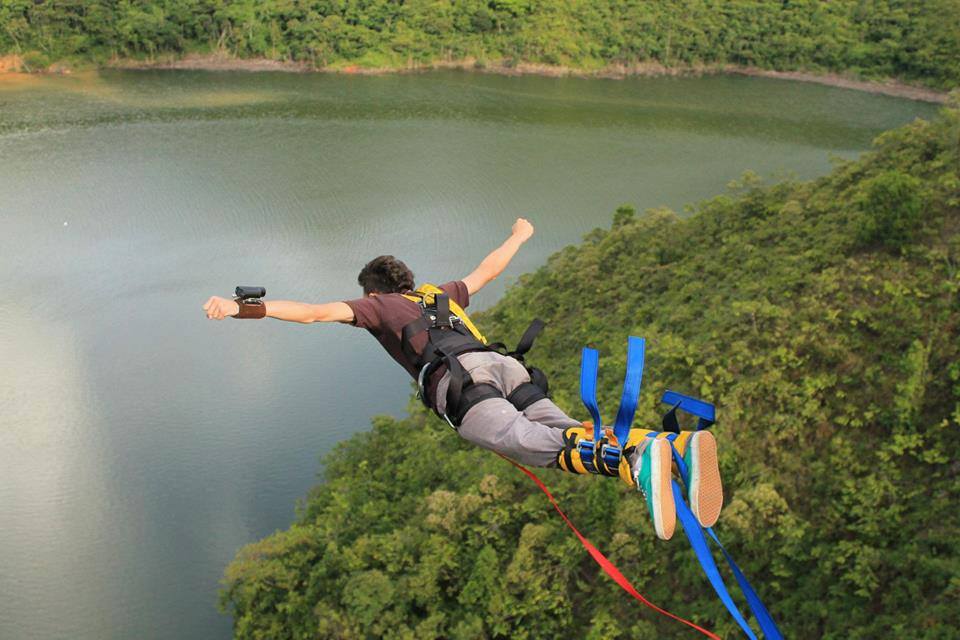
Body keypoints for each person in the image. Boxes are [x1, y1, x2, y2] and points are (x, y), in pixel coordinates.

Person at [202, 218, 722, 540]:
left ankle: (630, 461)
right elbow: (489, 269)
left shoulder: (377, 305)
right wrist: (520, 234)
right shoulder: (439, 294)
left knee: (517, 440)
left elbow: (314, 313)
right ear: (408, 278)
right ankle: (668, 446)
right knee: (558, 428)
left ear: (373, 289)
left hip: (462, 383)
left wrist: (244, 309)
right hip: (503, 364)